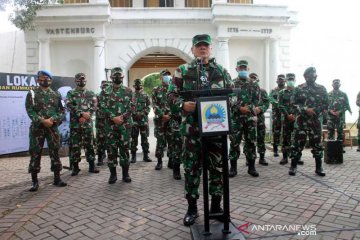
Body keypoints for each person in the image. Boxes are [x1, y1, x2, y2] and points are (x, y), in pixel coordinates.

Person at [168, 34, 233, 226]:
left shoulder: (221, 71)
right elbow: (170, 95)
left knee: (217, 168)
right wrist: (181, 105)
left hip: (216, 129)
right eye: (199, 46)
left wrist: (229, 103)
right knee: (192, 169)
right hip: (192, 130)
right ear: (193, 49)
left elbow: (233, 95)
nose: (203, 49)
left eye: (206, 45)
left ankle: (215, 205)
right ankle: (192, 208)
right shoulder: (183, 71)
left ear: (211, 49)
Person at [25, 70, 67, 191]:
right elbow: (30, 110)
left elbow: (62, 110)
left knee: (54, 151)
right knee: (35, 153)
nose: (45, 80)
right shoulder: (32, 93)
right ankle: (34, 181)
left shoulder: (56, 94)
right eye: (42, 78)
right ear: (38, 80)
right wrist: (42, 120)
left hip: (52, 128)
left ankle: (57, 178)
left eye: (47, 78)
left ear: (51, 80)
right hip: (37, 128)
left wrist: (52, 119)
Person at [289, 67, 328, 176]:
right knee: (297, 144)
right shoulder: (299, 88)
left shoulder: (322, 89)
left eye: (314, 74)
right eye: (310, 75)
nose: (313, 76)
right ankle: (293, 166)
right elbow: (292, 105)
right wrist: (305, 109)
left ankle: (319, 168)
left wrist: (316, 111)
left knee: (317, 145)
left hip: (315, 122)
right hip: (301, 122)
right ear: (305, 76)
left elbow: (326, 104)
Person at [99, 67, 133, 184]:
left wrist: (122, 117)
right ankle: (113, 175)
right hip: (110, 127)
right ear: (111, 77)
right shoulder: (105, 91)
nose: (118, 77)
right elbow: (102, 106)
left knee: (124, 150)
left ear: (123, 77)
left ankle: (125, 174)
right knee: (111, 150)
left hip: (124, 126)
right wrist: (113, 117)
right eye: (115, 76)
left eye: (120, 75)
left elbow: (131, 107)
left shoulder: (128, 91)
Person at [229, 60, 261, 178]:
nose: (242, 70)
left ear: (248, 69)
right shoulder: (231, 84)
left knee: (251, 143)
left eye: (244, 68)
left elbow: (258, 101)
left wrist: (249, 108)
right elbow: (229, 100)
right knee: (234, 143)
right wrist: (239, 108)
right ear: (237, 69)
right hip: (236, 119)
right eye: (240, 68)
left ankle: (251, 167)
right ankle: (233, 168)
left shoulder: (254, 84)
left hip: (250, 118)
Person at [66, 73, 99, 176]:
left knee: (89, 145)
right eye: (79, 80)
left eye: (83, 79)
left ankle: (92, 166)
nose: (82, 81)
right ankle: (75, 167)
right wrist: (81, 114)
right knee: (75, 146)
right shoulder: (71, 93)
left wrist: (88, 115)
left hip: (87, 124)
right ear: (75, 81)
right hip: (75, 125)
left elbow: (94, 105)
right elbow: (68, 104)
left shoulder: (91, 93)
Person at [152, 69, 172, 170]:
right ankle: (159, 162)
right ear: (161, 78)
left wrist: (170, 115)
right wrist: (162, 115)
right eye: (164, 75)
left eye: (168, 75)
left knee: (171, 141)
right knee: (160, 141)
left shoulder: (173, 89)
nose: (166, 77)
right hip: (160, 121)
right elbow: (154, 104)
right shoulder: (156, 90)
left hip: (171, 120)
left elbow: (177, 104)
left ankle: (171, 161)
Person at [249, 73, 270, 166]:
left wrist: (261, 108)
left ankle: (262, 158)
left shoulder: (263, 91)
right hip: (249, 118)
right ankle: (249, 157)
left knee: (261, 137)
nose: (253, 80)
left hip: (260, 118)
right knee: (250, 139)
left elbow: (267, 102)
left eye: (255, 78)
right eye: (251, 78)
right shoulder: (247, 91)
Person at [130, 79, 152, 163]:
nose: (138, 86)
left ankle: (146, 155)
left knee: (144, 139)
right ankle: (133, 156)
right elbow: (128, 106)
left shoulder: (145, 95)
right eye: (136, 85)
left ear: (141, 86)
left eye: (139, 85)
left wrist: (142, 113)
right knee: (134, 139)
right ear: (134, 86)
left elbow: (149, 106)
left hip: (143, 121)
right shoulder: (131, 95)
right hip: (134, 120)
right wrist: (134, 113)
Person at [278, 73, 297, 165]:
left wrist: (295, 115)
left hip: (296, 119)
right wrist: (287, 115)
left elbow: (302, 104)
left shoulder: (298, 91)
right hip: (285, 119)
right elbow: (280, 105)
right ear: (286, 81)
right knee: (285, 137)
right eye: (289, 79)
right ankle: (285, 157)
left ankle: (296, 157)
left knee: (296, 138)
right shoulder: (281, 92)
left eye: (292, 79)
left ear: (295, 80)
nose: (290, 81)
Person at [327, 79, 352, 147]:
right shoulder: (328, 94)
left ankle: (340, 148)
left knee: (340, 132)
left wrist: (340, 112)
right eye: (335, 83)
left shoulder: (344, 94)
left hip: (340, 116)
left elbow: (347, 105)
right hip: (330, 116)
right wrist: (331, 111)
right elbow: (325, 105)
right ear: (332, 85)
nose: (336, 84)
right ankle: (330, 148)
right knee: (330, 132)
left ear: (340, 85)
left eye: (337, 83)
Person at [167, 79, 182, 180]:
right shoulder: (174, 83)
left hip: (192, 120)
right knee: (177, 146)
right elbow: (170, 98)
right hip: (177, 121)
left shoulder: (197, 80)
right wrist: (183, 104)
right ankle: (176, 170)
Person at [270, 74, 286, 157]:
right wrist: (278, 104)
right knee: (276, 131)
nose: (281, 81)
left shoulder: (288, 90)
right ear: (277, 81)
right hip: (277, 114)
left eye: (282, 80)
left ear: (285, 81)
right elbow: (271, 99)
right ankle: (275, 150)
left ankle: (286, 150)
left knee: (286, 132)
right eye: (279, 80)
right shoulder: (273, 90)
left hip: (286, 114)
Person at [96, 80, 111, 166]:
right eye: (104, 86)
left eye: (107, 86)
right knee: (100, 141)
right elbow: (95, 107)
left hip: (110, 122)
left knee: (110, 140)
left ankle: (110, 157)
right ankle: (100, 157)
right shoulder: (98, 96)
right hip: (100, 122)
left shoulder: (111, 95)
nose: (105, 88)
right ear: (101, 87)